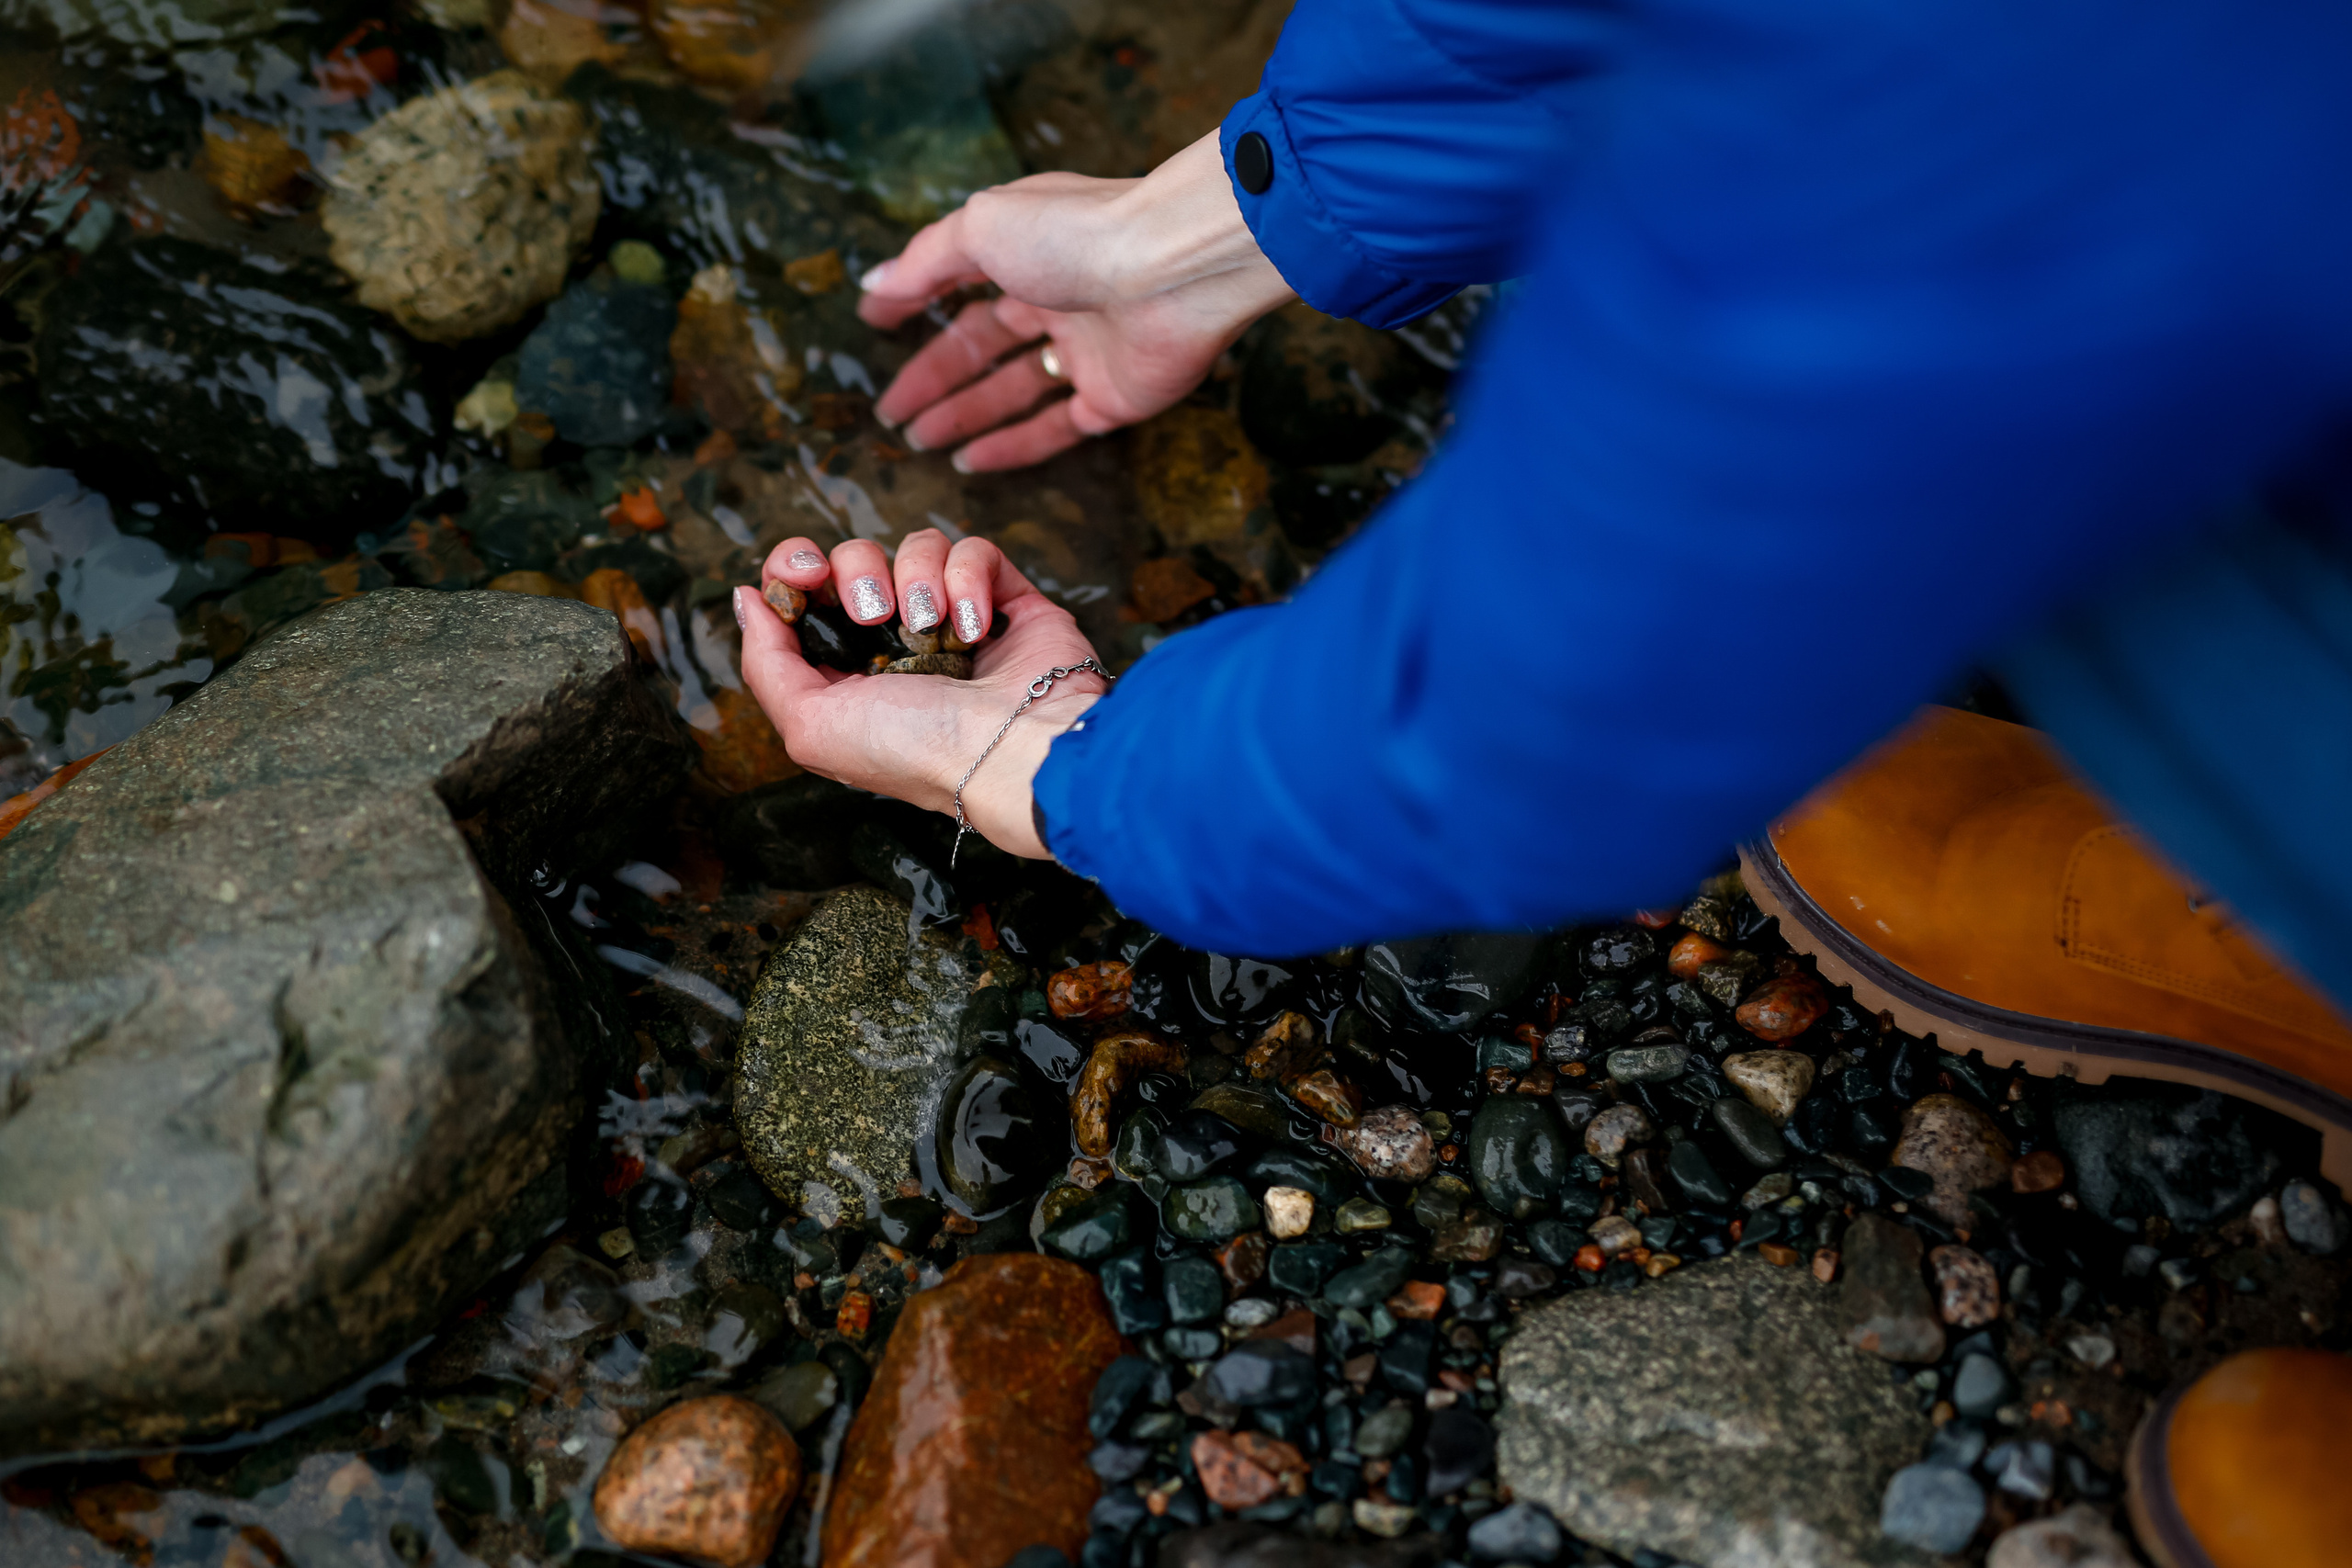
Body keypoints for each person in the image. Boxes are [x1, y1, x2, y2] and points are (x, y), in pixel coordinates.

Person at [730, 3, 2352, 1553]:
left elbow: (1581, 679)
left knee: (2054, 387)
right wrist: (1238, 209)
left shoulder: (1954, 129)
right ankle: (2263, 888)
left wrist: (1059, 768)